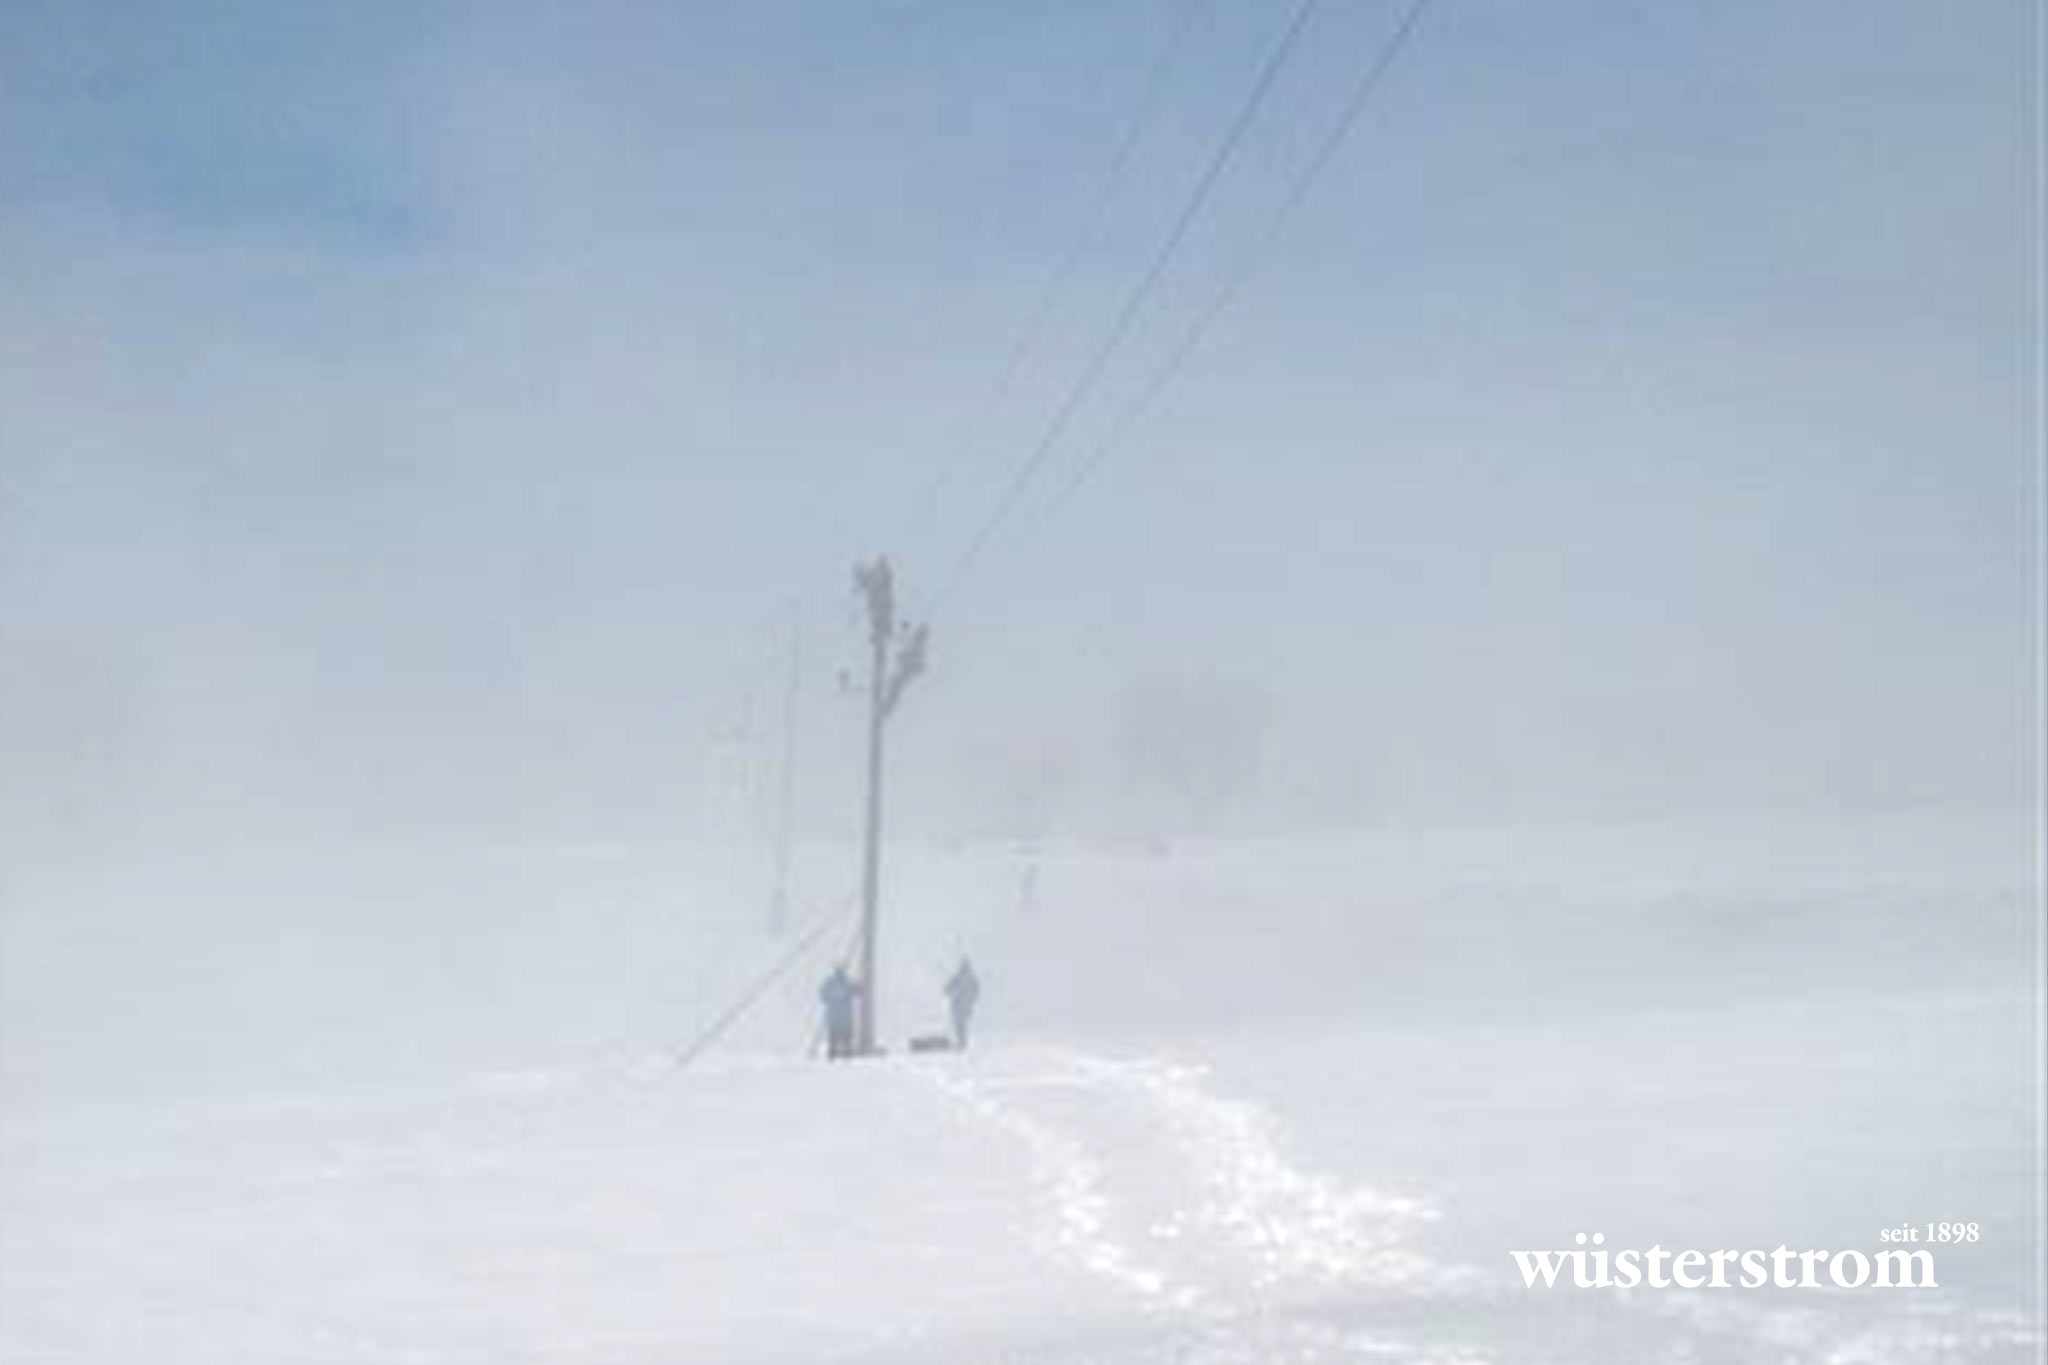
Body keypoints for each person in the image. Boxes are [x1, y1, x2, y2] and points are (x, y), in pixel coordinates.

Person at [819, 965, 860, 1060]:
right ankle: (834, 1053)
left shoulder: (846, 982)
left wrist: (858, 988)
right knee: (835, 1036)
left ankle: (846, 1053)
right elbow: (823, 995)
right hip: (836, 1016)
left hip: (843, 1015)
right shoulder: (831, 983)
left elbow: (856, 991)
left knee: (846, 1036)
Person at [944, 957, 981, 1050]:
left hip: (960, 1006)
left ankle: (961, 1042)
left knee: (960, 1024)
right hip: (961, 1006)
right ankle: (961, 1042)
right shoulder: (968, 979)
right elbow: (947, 989)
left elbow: (947, 989)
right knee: (960, 1024)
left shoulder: (960, 978)